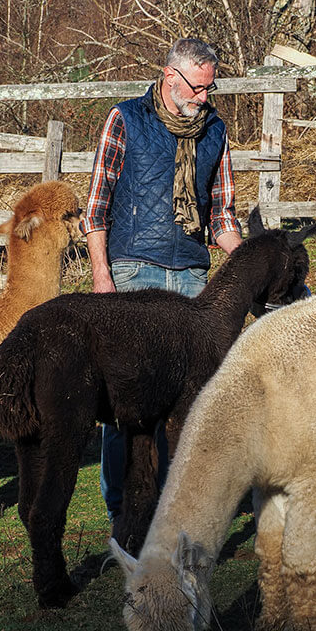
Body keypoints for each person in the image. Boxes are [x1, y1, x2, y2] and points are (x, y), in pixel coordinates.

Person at [82, 37, 242, 525]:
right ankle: (122, 511)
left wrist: (252, 262)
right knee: (127, 401)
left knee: (191, 402)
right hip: (135, 270)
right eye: (198, 87)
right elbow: (96, 206)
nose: (205, 97)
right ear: (170, 77)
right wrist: (102, 277)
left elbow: (221, 216)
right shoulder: (125, 119)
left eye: (210, 87)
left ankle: (177, 512)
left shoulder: (215, 131)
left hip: (192, 275)